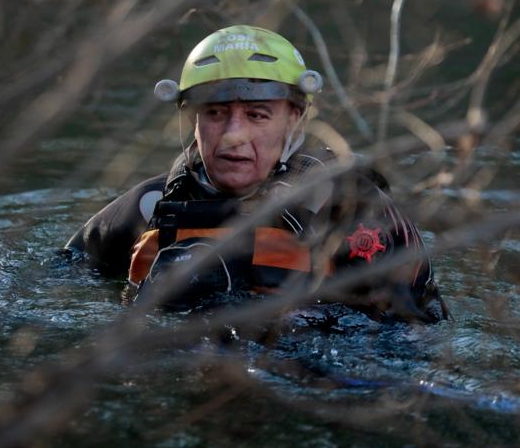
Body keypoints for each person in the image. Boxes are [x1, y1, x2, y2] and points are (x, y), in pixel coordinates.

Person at [61, 25, 449, 323]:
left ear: (294, 118)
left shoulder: (354, 213)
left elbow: (415, 334)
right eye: (214, 114)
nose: (232, 135)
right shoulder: (150, 207)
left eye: (257, 115)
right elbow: (53, 289)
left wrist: (301, 329)